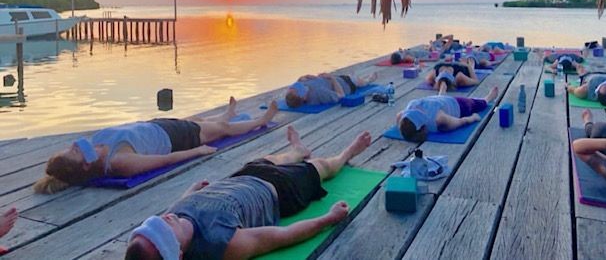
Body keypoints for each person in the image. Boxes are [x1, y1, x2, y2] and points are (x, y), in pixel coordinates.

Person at [125, 125, 372, 260]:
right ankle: (348, 153)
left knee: (275, 157)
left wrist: (192, 190)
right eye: (163, 228)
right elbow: (281, 235)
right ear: (178, 254)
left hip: (243, 176)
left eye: (154, 222)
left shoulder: (172, 219)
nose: (165, 219)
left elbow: (177, 207)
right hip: (280, 189)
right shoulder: (221, 243)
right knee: (322, 167)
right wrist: (327, 219)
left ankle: (298, 149)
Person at [33, 97, 279, 194]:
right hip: (176, 139)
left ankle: (225, 115)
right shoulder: (118, 162)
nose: (76, 145)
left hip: (155, 125)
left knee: (198, 120)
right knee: (220, 131)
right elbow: (164, 160)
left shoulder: (95, 146)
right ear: (85, 167)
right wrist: (198, 151)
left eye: (71, 147)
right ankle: (261, 120)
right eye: (75, 152)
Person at [396, 86, 498, 142]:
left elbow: (400, 117)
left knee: (438, 102)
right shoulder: (439, 121)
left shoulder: (402, 116)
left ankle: (441, 93)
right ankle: (488, 98)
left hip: (435, 101)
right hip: (457, 105)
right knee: (475, 103)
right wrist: (473, 118)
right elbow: (461, 121)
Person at [284, 72, 377, 108]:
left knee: (353, 75)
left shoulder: (300, 88)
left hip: (337, 78)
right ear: (303, 97)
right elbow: (341, 95)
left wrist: (304, 77)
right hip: (347, 84)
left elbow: (299, 82)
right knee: (360, 81)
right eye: (296, 89)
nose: (295, 87)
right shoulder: (320, 94)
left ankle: (363, 78)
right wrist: (332, 79)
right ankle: (368, 80)